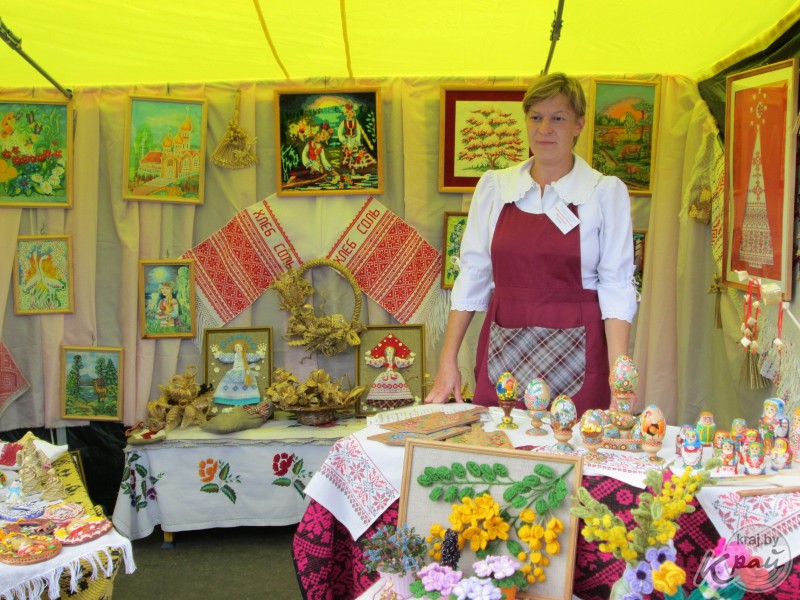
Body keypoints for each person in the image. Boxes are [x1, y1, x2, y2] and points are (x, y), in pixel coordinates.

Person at [424, 73, 637, 413]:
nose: (544, 129)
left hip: (578, 355)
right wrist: (447, 360)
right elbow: (473, 276)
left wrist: (619, 379)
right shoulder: (495, 188)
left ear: (579, 124)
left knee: (574, 442)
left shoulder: (603, 193)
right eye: (536, 117)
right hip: (504, 349)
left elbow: (616, 288)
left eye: (558, 119)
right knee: (500, 441)